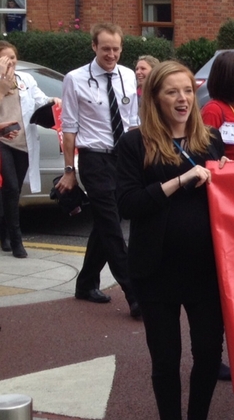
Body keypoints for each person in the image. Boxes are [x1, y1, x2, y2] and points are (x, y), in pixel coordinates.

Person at [116, 60, 227, 420]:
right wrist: (179, 181)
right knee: (165, 359)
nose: (182, 99)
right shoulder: (135, 143)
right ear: (155, 98)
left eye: (187, 91)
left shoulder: (209, 139)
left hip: (206, 269)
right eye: (171, 92)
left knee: (209, 354)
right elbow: (128, 203)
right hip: (156, 270)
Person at [55, 23, 140, 317]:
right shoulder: (74, 79)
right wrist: (69, 170)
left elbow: (132, 122)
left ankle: (85, 283)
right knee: (113, 227)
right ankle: (135, 294)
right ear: (94, 46)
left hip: (123, 157)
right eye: (106, 49)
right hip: (94, 159)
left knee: (107, 223)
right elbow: (69, 128)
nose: (112, 54)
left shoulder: (127, 75)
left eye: (116, 49)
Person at [0, 41, 61, 258]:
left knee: (11, 191)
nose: (10, 63)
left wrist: (53, 100)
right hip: (2, 142)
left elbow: (39, 100)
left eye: (13, 58)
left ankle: (4, 232)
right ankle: (17, 240)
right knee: (11, 187)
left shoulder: (26, 79)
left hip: (23, 143)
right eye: (5, 59)